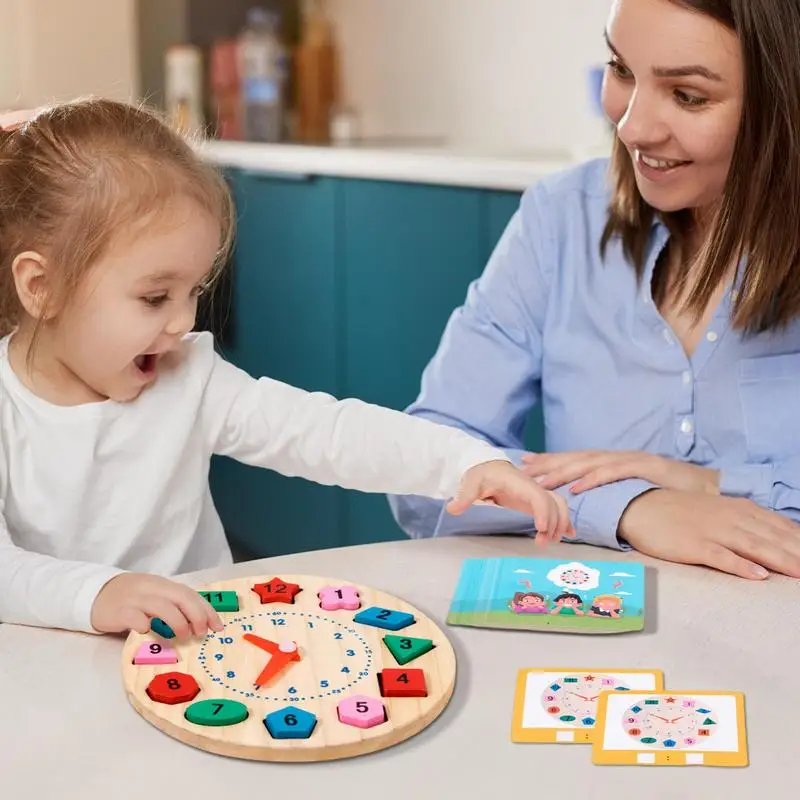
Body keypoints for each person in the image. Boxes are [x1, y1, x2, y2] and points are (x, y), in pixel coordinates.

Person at [0, 99, 573, 639]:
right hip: (58, 668)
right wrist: (100, 595)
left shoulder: (188, 377)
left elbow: (326, 433)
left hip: (196, 656)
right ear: (42, 288)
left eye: (194, 290)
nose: (183, 321)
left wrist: (466, 460)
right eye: (155, 297)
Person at [389, 0, 800, 582]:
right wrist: (632, 506)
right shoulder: (561, 219)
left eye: (688, 95)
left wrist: (710, 484)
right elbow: (421, 469)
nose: (631, 125)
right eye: (622, 69)